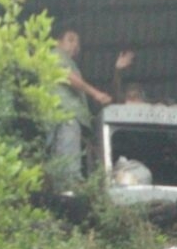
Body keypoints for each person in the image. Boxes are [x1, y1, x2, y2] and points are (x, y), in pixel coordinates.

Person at [48, 27, 134, 186]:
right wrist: (95, 93)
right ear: (57, 42)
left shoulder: (70, 63)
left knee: (63, 160)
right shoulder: (55, 55)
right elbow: (67, 76)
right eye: (71, 39)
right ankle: (67, 189)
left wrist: (117, 71)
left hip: (67, 116)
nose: (75, 45)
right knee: (67, 165)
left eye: (78, 43)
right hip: (66, 115)